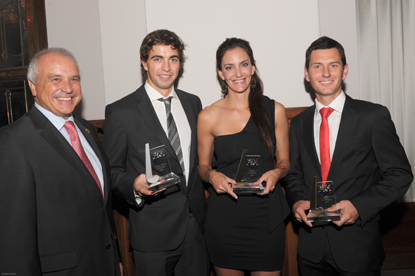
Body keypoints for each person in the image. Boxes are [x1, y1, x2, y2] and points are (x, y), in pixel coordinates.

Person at [284, 36, 413, 275]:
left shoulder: (372, 116)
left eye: (333, 65)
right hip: (311, 250)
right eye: (317, 66)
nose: (325, 73)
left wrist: (358, 206)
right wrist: (297, 201)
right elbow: (293, 175)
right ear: (306, 73)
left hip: (357, 248)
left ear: (345, 71)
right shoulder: (299, 123)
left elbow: (400, 175)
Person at [0, 48, 122, 276]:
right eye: (56, 79)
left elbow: (101, 205)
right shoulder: (13, 142)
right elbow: (14, 236)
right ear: (33, 86)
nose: (68, 88)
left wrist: (115, 259)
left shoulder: (87, 130)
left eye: (73, 79)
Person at [103, 29, 209, 276]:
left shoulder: (193, 103)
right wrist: (135, 184)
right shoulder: (121, 112)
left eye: (173, 58)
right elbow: (111, 171)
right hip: (152, 232)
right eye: (157, 58)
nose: (166, 66)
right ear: (144, 63)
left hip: (195, 227)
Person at [197, 37, 291, 276]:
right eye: (229, 67)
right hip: (225, 218)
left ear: (253, 66)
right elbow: (203, 168)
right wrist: (213, 176)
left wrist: (276, 172)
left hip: (266, 217)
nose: (238, 73)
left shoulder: (274, 110)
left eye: (244, 64)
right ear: (220, 72)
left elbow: (285, 162)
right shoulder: (208, 116)